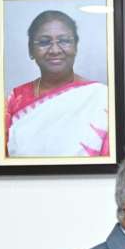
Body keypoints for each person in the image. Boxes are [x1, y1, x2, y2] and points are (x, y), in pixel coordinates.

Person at [6, 10, 109, 157]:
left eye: (64, 41)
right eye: (44, 42)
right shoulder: (16, 99)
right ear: (30, 50)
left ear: (76, 47)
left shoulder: (101, 98)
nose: (55, 50)